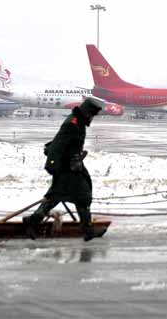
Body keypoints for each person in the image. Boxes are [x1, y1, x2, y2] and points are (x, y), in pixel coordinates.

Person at [23, 97, 105, 242]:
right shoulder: (72, 124)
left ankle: (87, 230)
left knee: (67, 197)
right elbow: (58, 144)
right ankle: (87, 230)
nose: (92, 117)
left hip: (72, 166)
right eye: (92, 114)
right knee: (79, 196)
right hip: (66, 168)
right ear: (86, 112)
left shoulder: (78, 122)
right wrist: (52, 164)